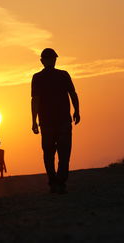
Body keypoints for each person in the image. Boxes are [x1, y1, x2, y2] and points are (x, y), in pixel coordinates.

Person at [31, 48, 80, 194]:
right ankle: (59, 182)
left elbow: (35, 101)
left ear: (42, 61)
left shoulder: (38, 77)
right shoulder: (63, 75)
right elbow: (73, 94)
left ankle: (54, 182)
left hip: (49, 122)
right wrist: (77, 111)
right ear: (53, 60)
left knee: (49, 153)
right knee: (63, 153)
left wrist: (34, 121)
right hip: (60, 121)